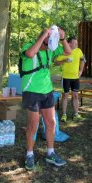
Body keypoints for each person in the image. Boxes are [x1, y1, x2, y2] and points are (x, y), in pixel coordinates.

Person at [20, 26, 71, 170]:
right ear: (44, 38)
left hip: (47, 90)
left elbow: (68, 52)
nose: (52, 42)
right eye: (50, 39)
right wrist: (44, 34)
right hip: (31, 91)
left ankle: (50, 153)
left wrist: (62, 38)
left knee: (51, 122)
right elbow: (30, 54)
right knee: (33, 125)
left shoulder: (51, 49)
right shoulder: (29, 45)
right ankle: (29, 154)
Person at [54, 36, 86, 122]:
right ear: (69, 43)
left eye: (76, 43)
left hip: (75, 78)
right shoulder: (63, 52)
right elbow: (56, 62)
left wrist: (81, 71)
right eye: (74, 43)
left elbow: (83, 59)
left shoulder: (79, 51)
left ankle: (76, 114)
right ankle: (64, 115)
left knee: (76, 96)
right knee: (65, 96)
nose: (76, 44)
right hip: (66, 77)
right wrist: (64, 61)